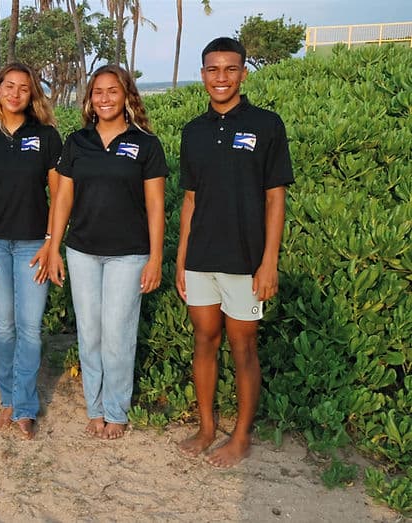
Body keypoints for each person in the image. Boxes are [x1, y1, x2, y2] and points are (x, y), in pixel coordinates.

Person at [175, 37, 294, 467]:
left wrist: (269, 262)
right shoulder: (193, 131)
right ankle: (207, 428)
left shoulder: (267, 124)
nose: (220, 77)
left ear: (244, 73)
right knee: (204, 340)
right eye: (212, 69)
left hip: (246, 260)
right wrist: (181, 259)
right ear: (203, 73)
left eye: (229, 69)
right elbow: (190, 200)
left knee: (244, 348)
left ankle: (241, 436)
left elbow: (275, 198)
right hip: (201, 258)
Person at [48, 65, 167, 440]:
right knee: (90, 333)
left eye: (112, 91)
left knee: (118, 334)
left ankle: (116, 410)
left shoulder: (146, 144)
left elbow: (155, 206)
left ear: (126, 95)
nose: (105, 98)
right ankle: (94, 408)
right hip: (81, 251)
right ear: (89, 99)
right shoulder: (76, 142)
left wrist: (155, 258)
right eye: (98, 92)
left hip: (128, 255)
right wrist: (53, 247)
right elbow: (63, 197)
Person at [0, 63, 62, 439]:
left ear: (32, 93)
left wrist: (52, 242)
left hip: (35, 246)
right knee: (4, 327)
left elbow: (59, 195)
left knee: (31, 328)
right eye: (9, 86)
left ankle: (25, 406)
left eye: (24, 87)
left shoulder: (48, 137)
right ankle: (9, 397)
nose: (15, 93)